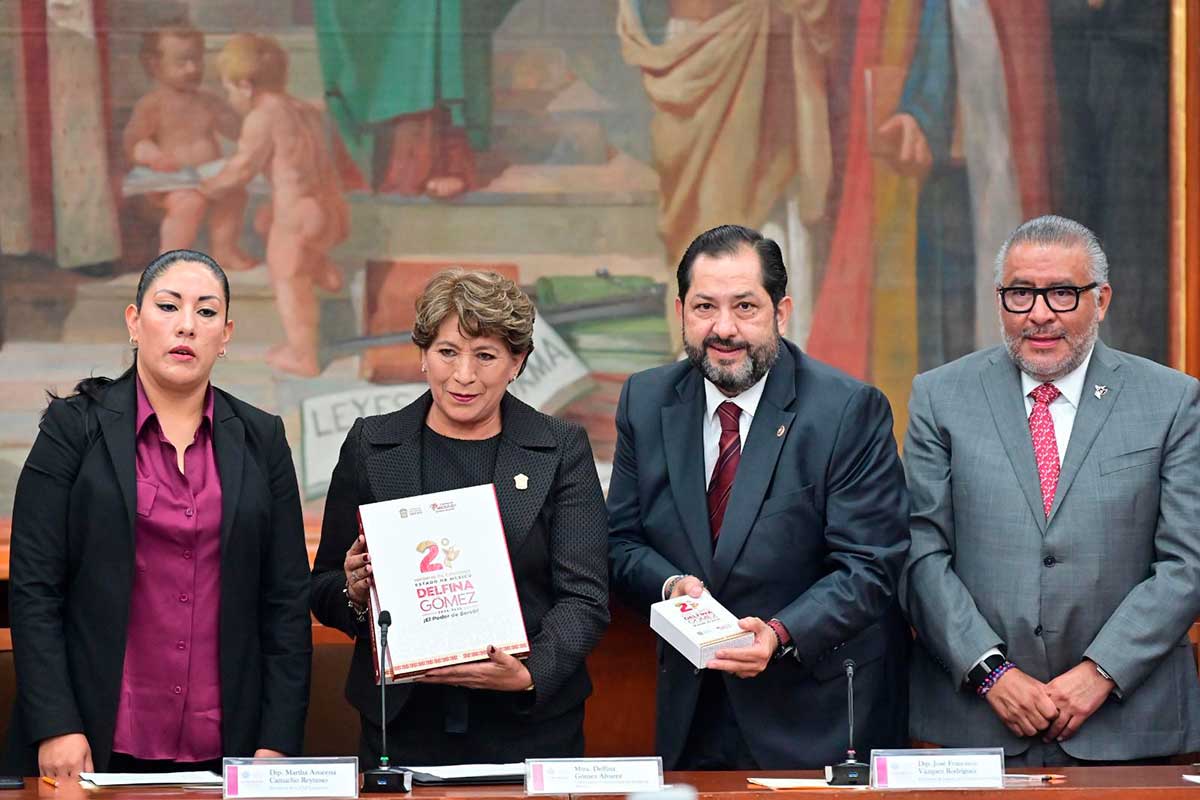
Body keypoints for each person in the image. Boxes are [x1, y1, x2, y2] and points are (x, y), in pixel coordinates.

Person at [607, 224, 911, 770]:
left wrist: (778, 632)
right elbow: (621, 542)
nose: (724, 328)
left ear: (781, 311)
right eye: (705, 307)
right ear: (680, 311)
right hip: (692, 714)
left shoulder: (847, 411)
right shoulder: (645, 401)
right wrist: (672, 584)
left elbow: (871, 565)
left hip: (811, 717)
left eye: (745, 306)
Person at [901, 214, 1200, 765]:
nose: (1039, 314)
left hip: (1129, 727)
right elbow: (920, 553)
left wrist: (1099, 673)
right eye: (1020, 294)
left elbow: (1188, 561)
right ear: (1000, 300)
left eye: (1063, 293)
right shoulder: (941, 397)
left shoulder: (1172, 401)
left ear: (1101, 299)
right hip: (977, 726)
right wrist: (991, 673)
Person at [6, 249, 312, 778]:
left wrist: (278, 742)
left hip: (229, 743)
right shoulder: (71, 429)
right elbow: (35, 587)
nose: (187, 326)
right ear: (134, 320)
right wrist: (56, 724)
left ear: (227, 334)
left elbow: (285, 600)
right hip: (93, 739)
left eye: (207, 312)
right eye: (168, 307)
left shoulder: (263, 439)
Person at [311, 268, 609, 764]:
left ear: (518, 362)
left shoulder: (561, 449)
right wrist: (355, 592)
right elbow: (323, 590)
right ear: (423, 355)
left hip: (529, 728)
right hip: (402, 728)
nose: (463, 375)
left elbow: (586, 597)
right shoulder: (371, 445)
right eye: (447, 352)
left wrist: (531, 671)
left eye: (486, 355)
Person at [200, 33, 350, 377]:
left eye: (229, 89)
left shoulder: (262, 116)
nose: (229, 96)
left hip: (297, 213)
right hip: (327, 208)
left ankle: (304, 356)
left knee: (288, 281)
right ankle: (321, 267)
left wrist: (209, 185)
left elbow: (241, 168)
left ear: (246, 85)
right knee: (273, 229)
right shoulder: (304, 110)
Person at [122, 27, 255, 270]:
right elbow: (134, 142)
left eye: (197, 59)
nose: (193, 69)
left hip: (207, 175)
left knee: (235, 194)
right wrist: (154, 155)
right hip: (169, 178)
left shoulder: (207, 99)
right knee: (189, 203)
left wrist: (237, 112)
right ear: (155, 65)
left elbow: (237, 130)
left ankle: (224, 250)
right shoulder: (153, 104)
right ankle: (170, 259)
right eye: (182, 62)